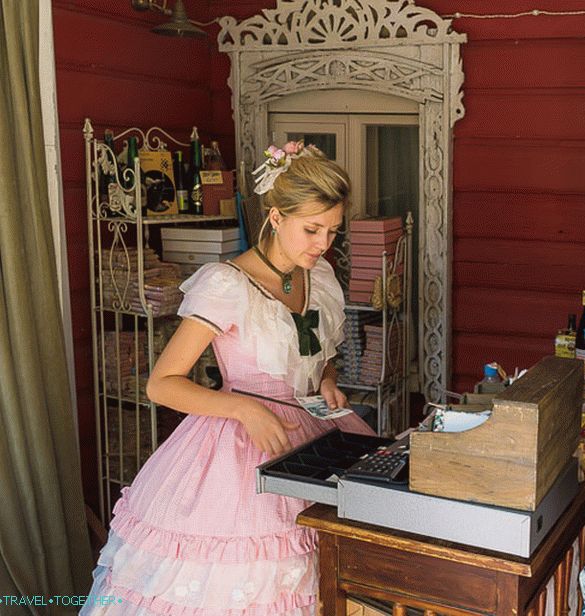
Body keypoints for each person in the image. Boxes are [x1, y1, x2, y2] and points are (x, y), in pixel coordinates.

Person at [82, 142, 374, 614]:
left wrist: (324, 379)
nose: (322, 244)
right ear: (276, 217)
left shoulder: (318, 277)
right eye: (312, 229)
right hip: (238, 451)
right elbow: (163, 383)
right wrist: (243, 407)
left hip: (312, 437)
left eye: (332, 232)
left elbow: (319, 355)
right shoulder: (226, 284)